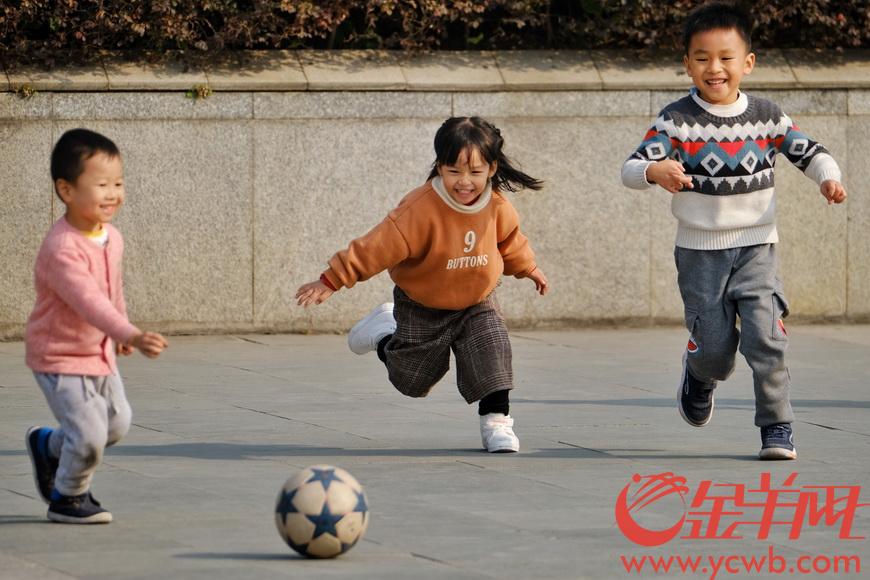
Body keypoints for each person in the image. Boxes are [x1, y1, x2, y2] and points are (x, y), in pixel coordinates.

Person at [622, 2, 846, 460]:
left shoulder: (766, 115)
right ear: (686, 63)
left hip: (757, 247)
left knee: (767, 336)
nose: (714, 67)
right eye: (702, 57)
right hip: (700, 253)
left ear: (747, 63)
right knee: (716, 351)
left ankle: (777, 426)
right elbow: (631, 167)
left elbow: (811, 151)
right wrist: (655, 172)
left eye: (726, 57)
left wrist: (828, 177)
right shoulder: (675, 120)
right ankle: (699, 374)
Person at [296, 116, 549, 453]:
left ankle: (496, 423)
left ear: (491, 168)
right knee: (413, 380)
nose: (464, 182)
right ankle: (385, 332)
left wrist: (528, 267)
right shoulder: (419, 209)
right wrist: (332, 279)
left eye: (475, 172)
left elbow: (510, 241)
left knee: (493, 347)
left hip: (476, 300)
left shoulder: (498, 206)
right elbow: (376, 247)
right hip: (422, 304)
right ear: (439, 166)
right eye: (454, 171)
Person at [25, 128, 168, 524]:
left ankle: (48, 446)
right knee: (88, 436)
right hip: (58, 356)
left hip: (99, 352)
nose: (113, 194)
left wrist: (120, 331)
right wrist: (132, 334)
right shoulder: (62, 248)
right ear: (66, 190)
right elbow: (88, 300)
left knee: (116, 424)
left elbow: (111, 288)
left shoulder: (112, 238)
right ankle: (68, 498)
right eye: (101, 184)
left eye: (118, 183)